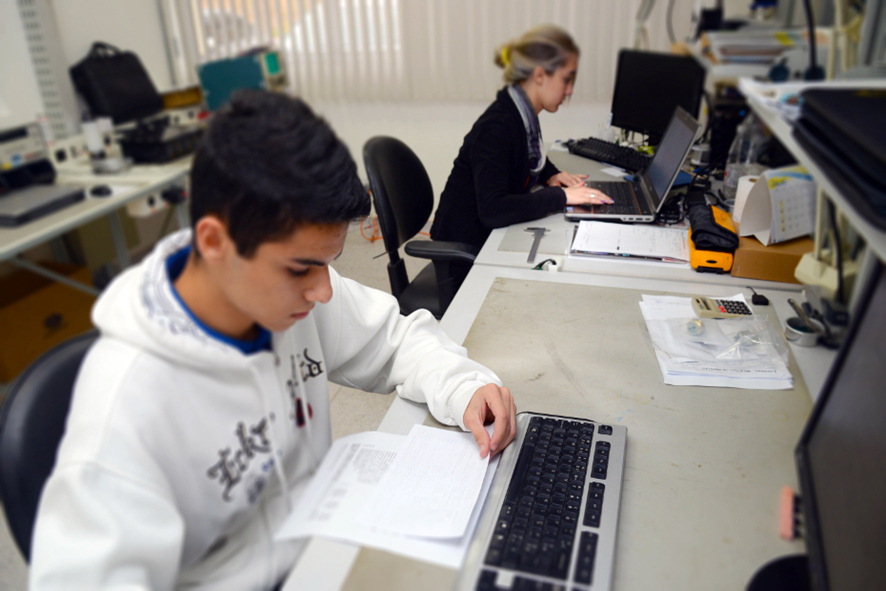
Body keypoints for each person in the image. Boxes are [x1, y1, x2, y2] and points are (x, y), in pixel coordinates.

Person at [29, 90, 516, 590]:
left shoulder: (283, 298)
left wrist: (464, 387)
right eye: (302, 267)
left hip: (326, 550)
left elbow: (395, 340)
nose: (324, 290)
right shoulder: (125, 413)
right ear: (216, 242)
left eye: (328, 263)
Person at [430, 24, 612, 260]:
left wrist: (551, 175)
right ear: (539, 75)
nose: (569, 90)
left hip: (490, 236)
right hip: (465, 250)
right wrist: (562, 197)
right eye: (566, 80)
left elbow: (524, 155)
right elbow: (493, 210)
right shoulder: (496, 127)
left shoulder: (522, 112)